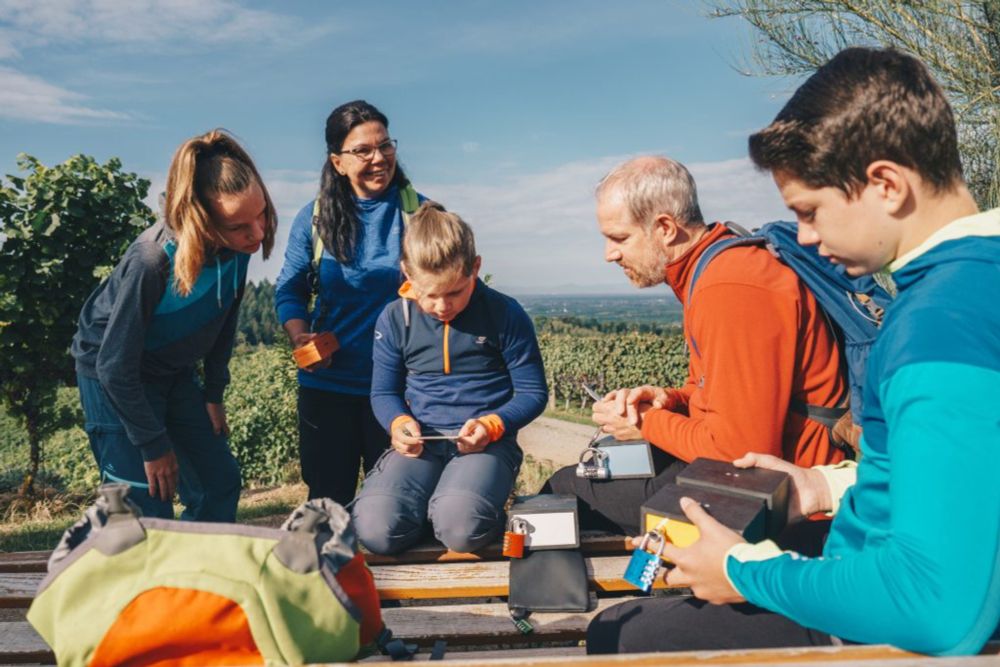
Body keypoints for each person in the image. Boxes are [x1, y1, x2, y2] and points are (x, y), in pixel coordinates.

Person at [587, 47, 1000, 656]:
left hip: (864, 616)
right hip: (851, 554)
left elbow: (937, 605)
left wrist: (744, 572)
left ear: (886, 185)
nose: (803, 239)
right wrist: (821, 486)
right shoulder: (968, 284)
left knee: (619, 637)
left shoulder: (939, 325)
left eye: (810, 212)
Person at [541, 155, 847, 536]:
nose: (610, 254)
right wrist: (667, 400)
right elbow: (717, 395)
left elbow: (738, 450)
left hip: (793, 506)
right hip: (762, 477)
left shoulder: (730, 288)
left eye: (619, 238)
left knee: (565, 492)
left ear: (665, 227)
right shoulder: (718, 265)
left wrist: (645, 423)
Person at [72, 129, 276, 521]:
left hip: (172, 372)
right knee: (147, 506)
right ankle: (145, 579)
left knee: (219, 482)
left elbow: (223, 321)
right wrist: (152, 445)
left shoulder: (238, 248)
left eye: (262, 213)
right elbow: (114, 366)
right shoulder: (152, 262)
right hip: (112, 377)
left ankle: (196, 576)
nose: (258, 233)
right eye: (239, 226)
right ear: (201, 221)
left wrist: (214, 392)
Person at [351, 201, 548, 555]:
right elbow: (383, 392)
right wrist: (397, 423)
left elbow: (533, 392)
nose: (443, 307)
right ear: (407, 275)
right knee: (375, 530)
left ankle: (453, 508)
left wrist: (494, 424)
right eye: (429, 296)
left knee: (459, 528)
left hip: (487, 443)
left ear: (476, 267)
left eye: (455, 292)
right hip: (422, 443)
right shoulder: (395, 318)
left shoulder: (505, 314)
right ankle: (432, 505)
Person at [275, 100, 424, 506]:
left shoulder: (421, 216)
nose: (379, 158)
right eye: (363, 151)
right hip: (329, 386)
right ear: (338, 162)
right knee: (328, 503)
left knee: (397, 504)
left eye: (385, 146)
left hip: (400, 389)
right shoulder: (315, 219)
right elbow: (290, 290)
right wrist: (299, 334)